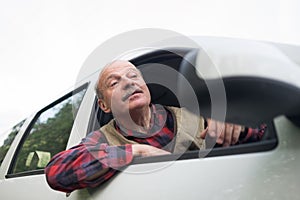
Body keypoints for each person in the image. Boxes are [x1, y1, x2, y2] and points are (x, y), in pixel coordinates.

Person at [45, 60, 265, 193]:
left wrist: (237, 123)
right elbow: (56, 172)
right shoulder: (102, 139)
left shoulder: (195, 117)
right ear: (104, 105)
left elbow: (264, 133)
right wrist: (137, 151)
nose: (129, 82)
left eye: (134, 76)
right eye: (115, 82)